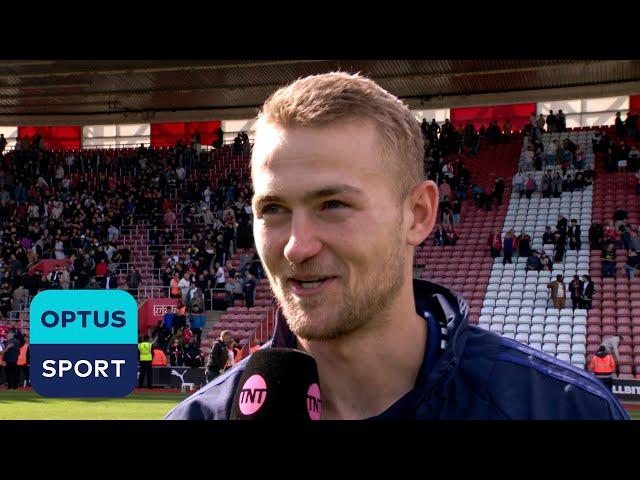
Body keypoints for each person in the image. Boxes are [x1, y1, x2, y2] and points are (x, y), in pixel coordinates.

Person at [166, 72, 626, 420]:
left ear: (419, 214)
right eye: (273, 209)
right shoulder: (201, 416)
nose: (296, 246)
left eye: (333, 204)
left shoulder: (561, 410)